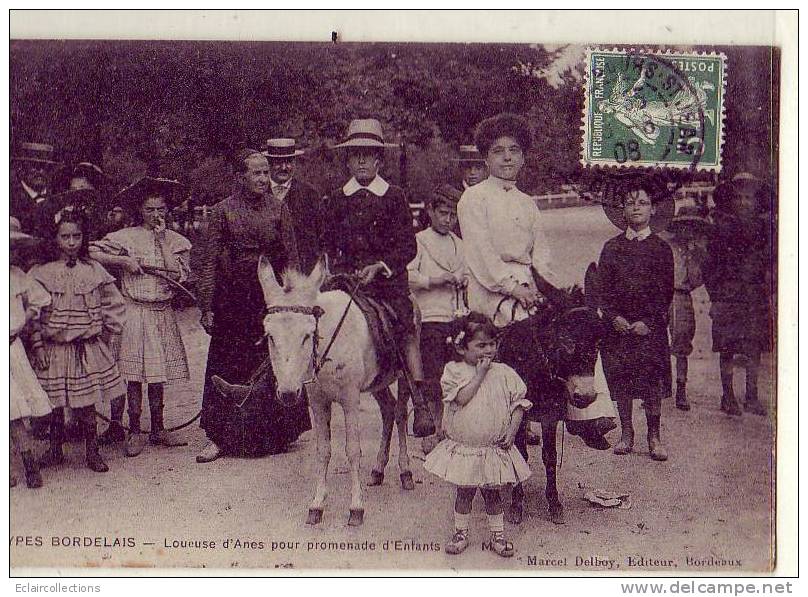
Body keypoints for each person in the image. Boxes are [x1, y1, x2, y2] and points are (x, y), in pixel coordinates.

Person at [320, 118, 434, 437]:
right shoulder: (337, 198)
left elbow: (407, 246)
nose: (361, 160)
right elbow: (328, 243)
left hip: (386, 282)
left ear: (379, 160)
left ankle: (420, 400)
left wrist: (379, 266)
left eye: (368, 155)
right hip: (347, 281)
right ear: (348, 159)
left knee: (403, 323)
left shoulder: (394, 196)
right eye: (355, 154)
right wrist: (340, 269)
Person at [195, 149, 310, 463]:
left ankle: (274, 436)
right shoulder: (222, 211)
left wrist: (293, 302)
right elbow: (207, 261)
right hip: (231, 300)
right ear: (240, 177)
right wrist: (206, 306)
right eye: (256, 173)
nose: (263, 179)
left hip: (268, 300)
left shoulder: (279, 209)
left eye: (265, 172)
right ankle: (218, 437)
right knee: (225, 364)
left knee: (271, 363)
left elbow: (291, 260)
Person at [90, 177, 192, 456]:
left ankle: (158, 428)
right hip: (135, 311)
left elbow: (176, 276)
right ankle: (134, 430)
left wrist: (161, 241)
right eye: (150, 210)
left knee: (157, 376)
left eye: (161, 209)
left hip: (161, 312)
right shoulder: (126, 236)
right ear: (140, 210)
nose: (156, 215)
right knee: (134, 376)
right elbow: (92, 251)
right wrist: (124, 261)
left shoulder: (176, 241)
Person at [423, 313, 532, 558]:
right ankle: (460, 532)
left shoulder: (504, 372)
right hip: (467, 448)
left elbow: (518, 404)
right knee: (465, 491)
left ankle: (498, 534)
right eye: (481, 345)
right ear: (462, 348)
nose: (489, 350)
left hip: (493, 448)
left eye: (492, 344)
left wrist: (512, 432)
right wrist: (480, 374)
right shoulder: (454, 371)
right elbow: (462, 399)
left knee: (493, 493)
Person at [29, 210, 127, 473]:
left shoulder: (94, 269)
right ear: (55, 239)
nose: (71, 242)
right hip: (55, 348)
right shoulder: (42, 272)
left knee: (87, 403)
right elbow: (32, 313)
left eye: (77, 236)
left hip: (86, 347)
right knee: (56, 403)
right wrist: (37, 344)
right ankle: (55, 448)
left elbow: (114, 303)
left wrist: (106, 334)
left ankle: (92, 451)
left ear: (83, 238)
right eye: (65, 237)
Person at [597, 182, 675, 461]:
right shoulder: (611, 248)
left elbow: (665, 292)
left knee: (651, 381)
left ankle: (653, 436)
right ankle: (626, 433)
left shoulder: (661, 249)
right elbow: (602, 290)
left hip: (648, 329)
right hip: (618, 329)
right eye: (630, 203)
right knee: (623, 379)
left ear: (653, 209)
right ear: (623, 211)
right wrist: (613, 316)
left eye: (642, 203)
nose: (636, 208)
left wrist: (649, 322)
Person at [702, 172, 772, 417]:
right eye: (739, 197)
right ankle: (728, 395)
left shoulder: (765, 229)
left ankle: (751, 396)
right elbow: (708, 267)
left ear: (756, 201)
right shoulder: (720, 228)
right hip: (728, 296)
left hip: (754, 295)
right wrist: (716, 297)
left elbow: (771, 263)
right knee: (727, 346)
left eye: (748, 198)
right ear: (730, 200)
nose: (744, 202)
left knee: (754, 347)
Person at [408, 184, 468, 453]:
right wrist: (434, 280)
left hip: (455, 317)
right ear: (430, 211)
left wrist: (465, 281)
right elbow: (407, 276)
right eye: (443, 213)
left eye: (453, 215)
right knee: (432, 374)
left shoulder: (460, 245)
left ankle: (451, 427)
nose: (448, 220)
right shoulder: (419, 241)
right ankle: (430, 430)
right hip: (430, 316)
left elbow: (469, 273)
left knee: (455, 373)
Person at [10, 218, 52, 489]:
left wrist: (26, 314)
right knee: (10, 412)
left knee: (17, 408)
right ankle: (21, 464)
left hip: (12, 349)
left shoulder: (16, 276)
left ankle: (28, 461)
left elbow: (39, 300)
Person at [658, 206, 710, 411]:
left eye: (692, 227)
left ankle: (681, 389)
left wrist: (695, 256)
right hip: (662, 295)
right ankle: (660, 387)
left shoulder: (695, 252)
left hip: (682, 296)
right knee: (657, 340)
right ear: (677, 227)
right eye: (683, 226)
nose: (687, 230)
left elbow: (697, 280)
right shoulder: (665, 246)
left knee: (682, 341)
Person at [264, 138, 323, 274]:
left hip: (303, 273)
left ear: (294, 163)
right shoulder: (259, 194)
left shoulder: (310, 194)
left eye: (289, 162)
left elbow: (322, 237)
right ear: (268, 164)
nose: (284, 167)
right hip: (269, 274)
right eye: (278, 162)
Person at [10, 141, 62, 234]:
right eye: (35, 166)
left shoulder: (59, 197)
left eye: (47, 167)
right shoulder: (10, 199)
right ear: (21, 168)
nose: (40, 171)